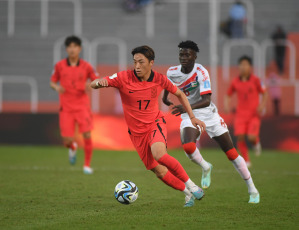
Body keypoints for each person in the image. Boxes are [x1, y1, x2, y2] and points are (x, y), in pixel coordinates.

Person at [90, 45, 206, 207]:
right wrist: (98, 83)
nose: (137, 66)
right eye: (135, 62)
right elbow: (94, 83)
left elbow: (179, 94)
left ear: (151, 63)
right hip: (136, 134)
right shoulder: (123, 77)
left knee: (160, 154)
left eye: (141, 62)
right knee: (158, 171)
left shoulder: (159, 79)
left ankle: (192, 186)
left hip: (155, 123)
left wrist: (192, 117)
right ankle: (187, 194)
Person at [163, 41, 260, 203]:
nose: (183, 57)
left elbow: (207, 100)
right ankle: (206, 166)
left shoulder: (201, 72)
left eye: (187, 54)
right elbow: (168, 82)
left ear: (195, 56)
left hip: (208, 114)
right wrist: (164, 97)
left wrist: (185, 107)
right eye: (181, 54)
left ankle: (252, 189)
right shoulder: (172, 71)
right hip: (189, 114)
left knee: (231, 153)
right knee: (188, 146)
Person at [50, 36, 98, 174]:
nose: (72, 49)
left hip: (82, 106)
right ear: (66, 49)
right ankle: (72, 147)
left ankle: (87, 165)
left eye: (75, 46)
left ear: (79, 49)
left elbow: (97, 82)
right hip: (66, 108)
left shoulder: (87, 66)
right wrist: (56, 87)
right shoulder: (59, 66)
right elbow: (52, 81)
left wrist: (89, 85)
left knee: (87, 135)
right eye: (69, 47)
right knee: (67, 140)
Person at [225, 55, 268, 166]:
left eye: (245, 64)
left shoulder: (256, 80)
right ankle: (246, 160)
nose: (243, 67)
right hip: (240, 114)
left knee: (251, 137)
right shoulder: (235, 81)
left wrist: (262, 105)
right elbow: (229, 94)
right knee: (240, 136)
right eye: (241, 64)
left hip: (254, 114)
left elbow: (264, 93)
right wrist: (226, 104)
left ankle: (256, 143)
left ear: (250, 66)